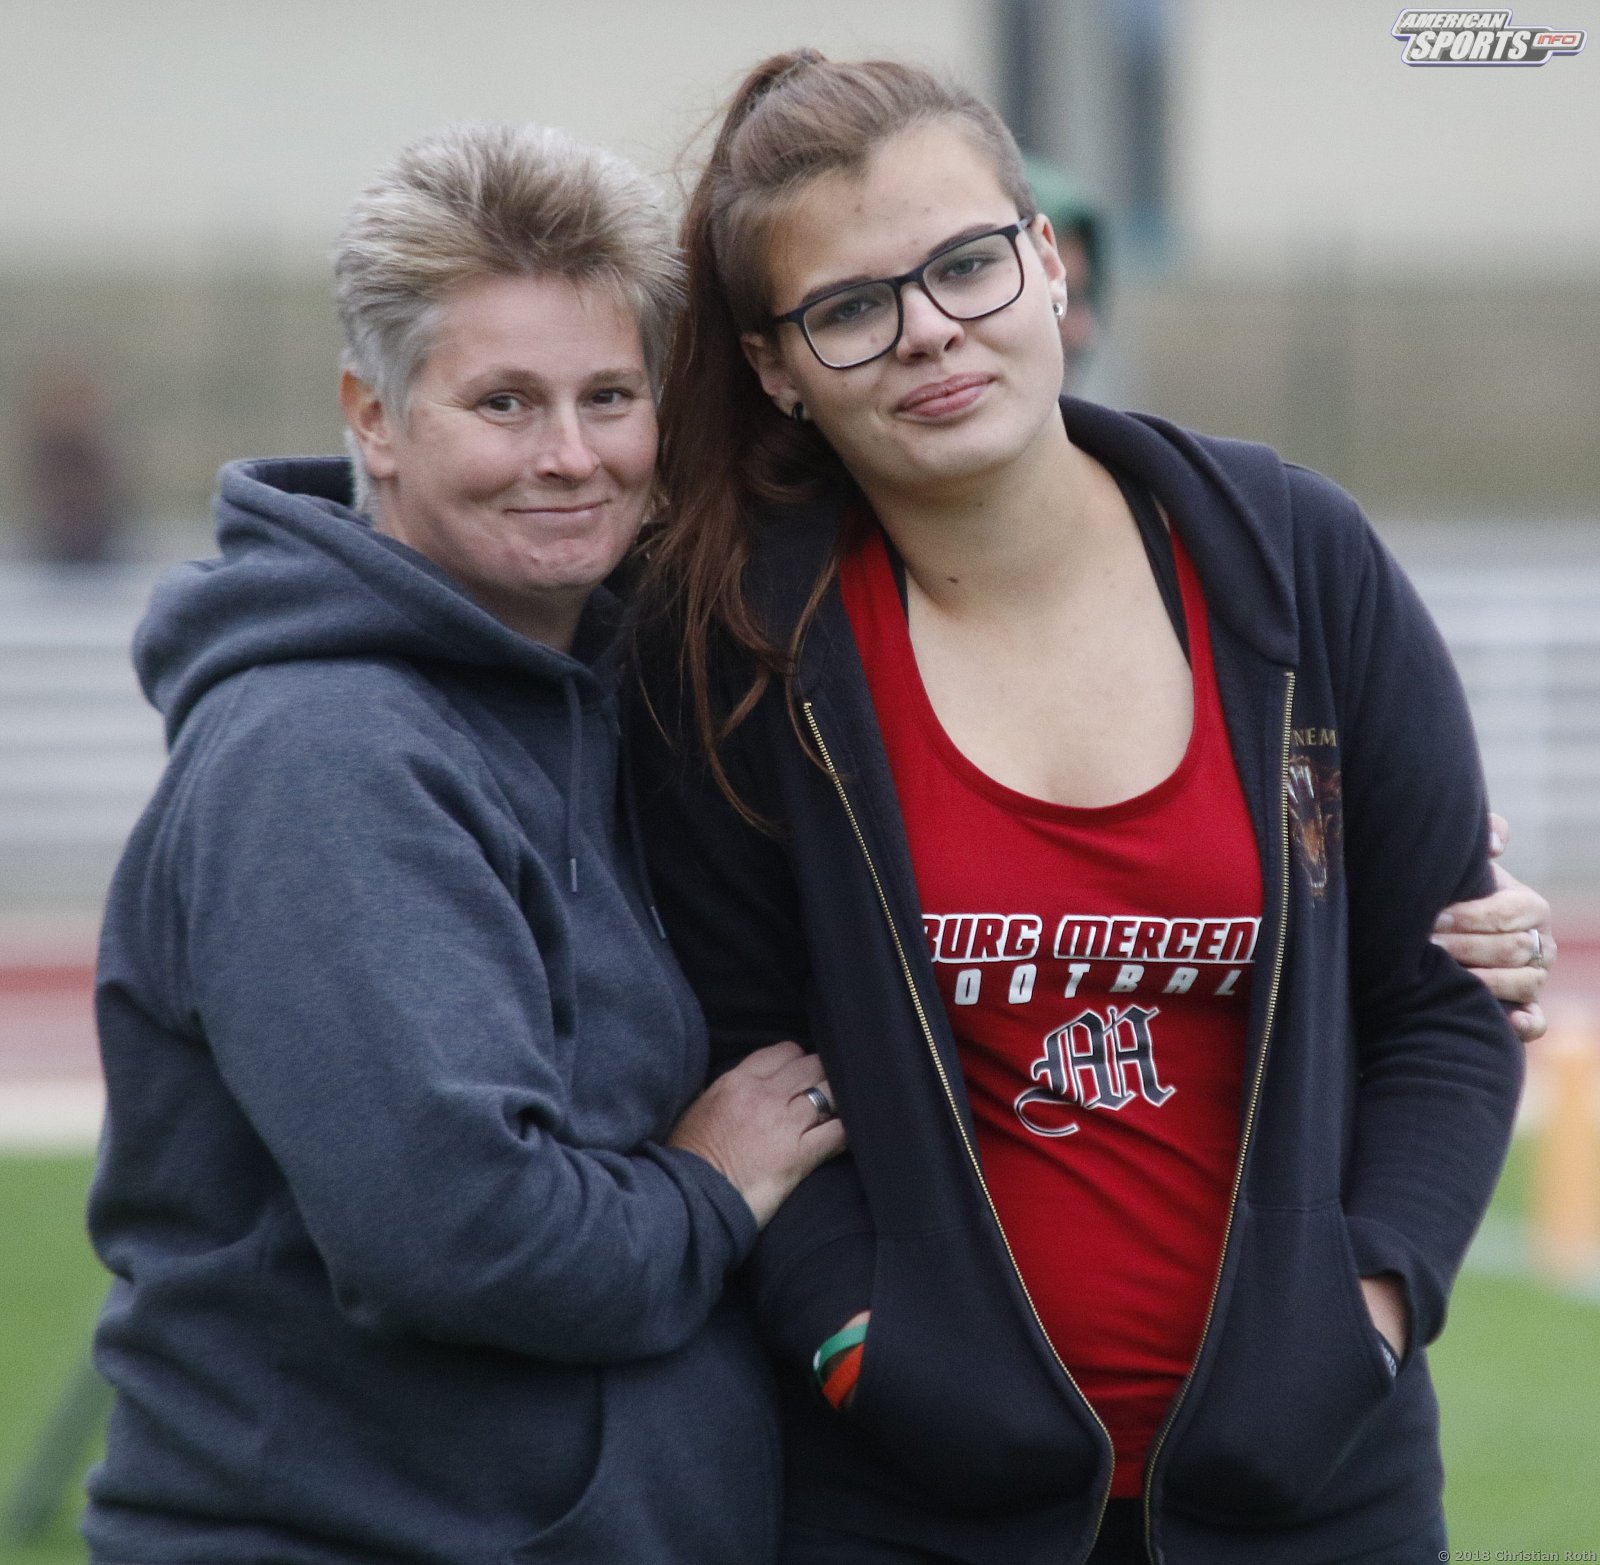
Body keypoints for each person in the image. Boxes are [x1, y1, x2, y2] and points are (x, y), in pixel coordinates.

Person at [630, 51, 1533, 1565]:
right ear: (777, 367)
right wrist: (862, 1350)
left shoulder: (1296, 562)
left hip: (1317, 1492)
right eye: (850, 307)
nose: (930, 330)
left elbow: (1446, 997)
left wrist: (1368, 1316)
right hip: (910, 1507)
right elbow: (735, 1046)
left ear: (1049, 262)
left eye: (966, 263)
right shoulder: (733, 650)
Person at [83, 122, 844, 1565]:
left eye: (609, 396)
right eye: (504, 402)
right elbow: (468, 1236)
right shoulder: (325, 751)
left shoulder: (589, 701)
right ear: (373, 418)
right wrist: (708, 1186)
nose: (569, 456)